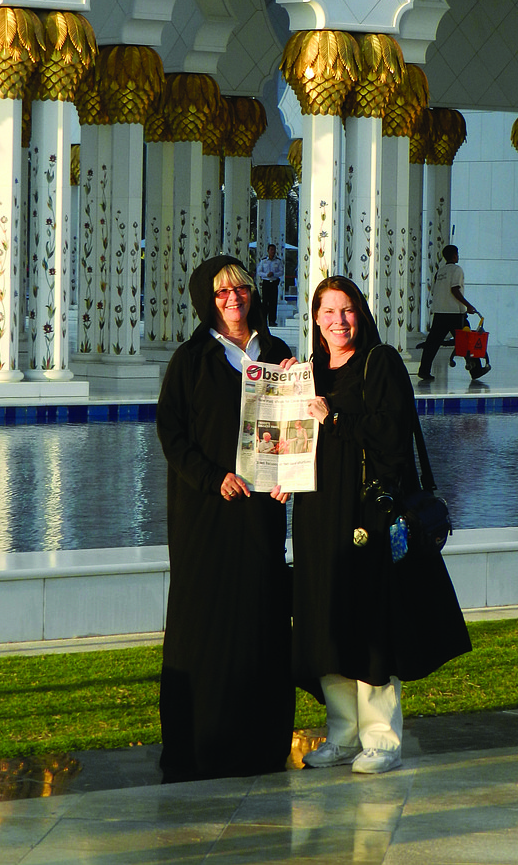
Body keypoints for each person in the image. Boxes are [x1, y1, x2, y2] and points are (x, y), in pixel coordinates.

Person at [290, 276, 471, 774]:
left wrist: (336, 421)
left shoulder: (380, 362)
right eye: (327, 312)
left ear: (361, 313)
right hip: (316, 514)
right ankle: (343, 735)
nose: (338, 321)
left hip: (366, 512)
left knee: (369, 624)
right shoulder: (310, 371)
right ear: (315, 318)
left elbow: (392, 435)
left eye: (346, 310)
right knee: (329, 623)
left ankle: (381, 740)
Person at [156, 255, 295, 782]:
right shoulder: (191, 361)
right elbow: (172, 434)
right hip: (206, 515)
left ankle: (261, 740)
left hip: (260, 513)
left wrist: (289, 473)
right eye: (221, 294)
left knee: (260, 615)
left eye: (240, 290)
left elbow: (296, 433)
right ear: (206, 301)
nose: (233, 300)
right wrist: (213, 477)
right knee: (206, 620)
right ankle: (201, 742)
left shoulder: (277, 355)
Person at [418, 245, 480, 381]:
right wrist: (468, 306)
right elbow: (455, 289)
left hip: (440, 312)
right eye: (457, 254)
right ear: (454, 255)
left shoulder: (440, 271)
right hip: (455, 314)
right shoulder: (457, 270)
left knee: (432, 343)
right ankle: (476, 370)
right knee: (467, 341)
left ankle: (424, 370)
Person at [256, 243, 285, 325]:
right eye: (271, 250)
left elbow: (281, 271)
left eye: (274, 250)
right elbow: (259, 272)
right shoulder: (263, 261)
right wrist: (266, 275)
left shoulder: (278, 261)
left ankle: (272, 320)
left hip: (274, 283)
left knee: (273, 302)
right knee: (265, 302)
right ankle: (264, 320)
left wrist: (274, 274)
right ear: (268, 251)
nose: (273, 251)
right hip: (266, 283)